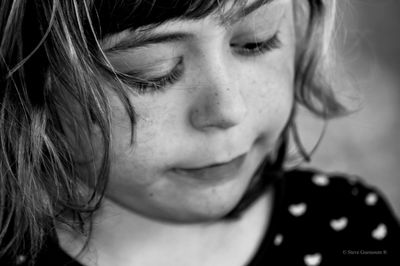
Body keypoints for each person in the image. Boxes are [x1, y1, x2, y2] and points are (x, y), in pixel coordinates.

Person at [0, 0, 399, 265]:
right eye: (152, 72)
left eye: (255, 42)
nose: (229, 110)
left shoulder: (348, 229)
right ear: (31, 85)